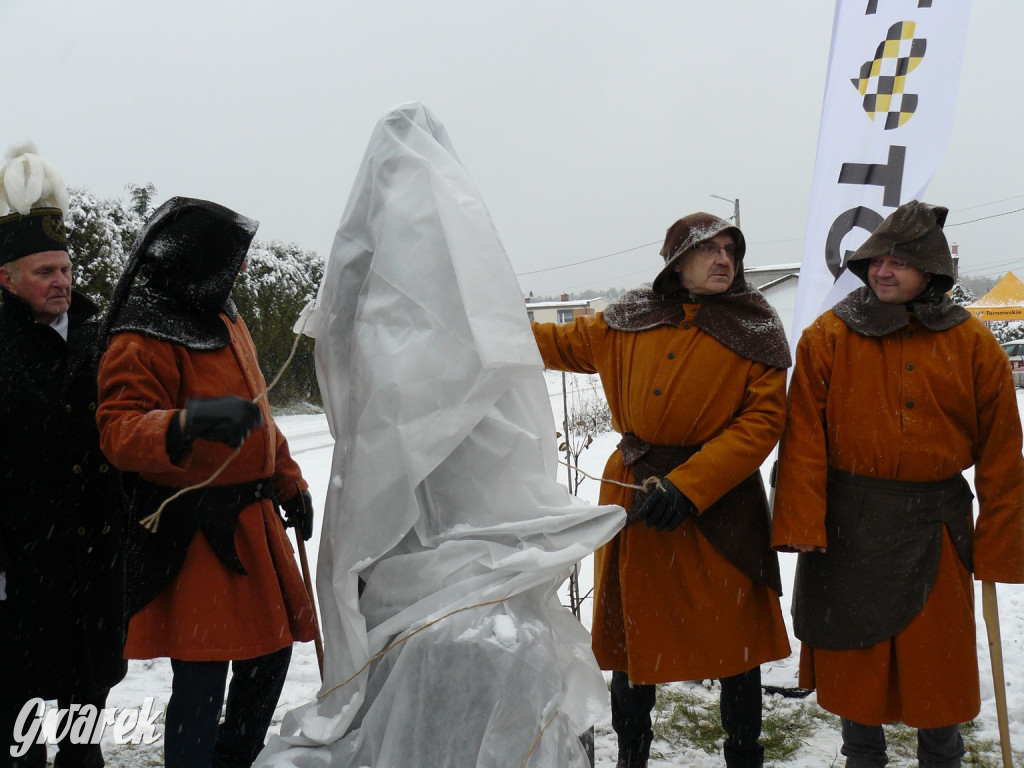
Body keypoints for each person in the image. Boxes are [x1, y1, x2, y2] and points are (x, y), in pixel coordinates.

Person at [532, 212, 792, 768]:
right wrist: (470, 313)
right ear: (678, 261)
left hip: (722, 505)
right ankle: (633, 755)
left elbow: (761, 423)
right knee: (634, 645)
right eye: (710, 250)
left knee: (736, 648)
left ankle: (744, 754)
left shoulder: (757, 327)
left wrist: (690, 486)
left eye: (732, 250)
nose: (725, 259)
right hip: (638, 495)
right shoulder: (626, 320)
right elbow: (547, 342)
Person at [772, 200, 1024, 768]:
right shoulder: (829, 336)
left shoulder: (973, 344)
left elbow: (1004, 455)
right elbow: (804, 439)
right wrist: (802, 522)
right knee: (856, 659)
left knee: (938, 662)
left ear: (931, 270)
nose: (883, 271)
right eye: (876, 260)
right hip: (849, 526)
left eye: (899, 261)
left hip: (936, 526)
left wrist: (1000, 545)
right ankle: (862, 757)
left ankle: (943, 757)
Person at [95, 197, 318, 768]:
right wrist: (188, 424)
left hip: (253, 520)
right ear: (198, 261)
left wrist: (289, 481)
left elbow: (261, 414)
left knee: (269, 660)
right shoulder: (142, 334)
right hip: (195, 535)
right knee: (201, 676)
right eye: (232, 258)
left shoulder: (224, 315)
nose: (242, 269)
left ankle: (232, 760)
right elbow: (118, 431)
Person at [0, 144, 127, 768]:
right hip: (20, 576)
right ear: (6, 278)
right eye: (45, 271)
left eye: (65, 267)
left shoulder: (101, 337)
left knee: (83, 735)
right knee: (19, 737)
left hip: (88, 569)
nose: (62, 281)